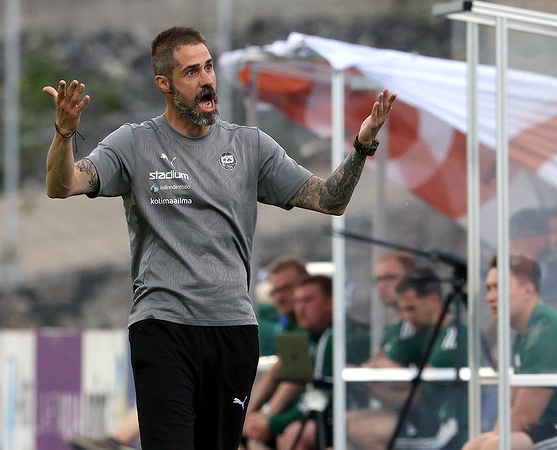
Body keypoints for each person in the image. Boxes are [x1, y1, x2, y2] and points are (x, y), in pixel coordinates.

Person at [43, 25, 396, 450]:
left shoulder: (250, 145)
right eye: (191, 72)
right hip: (163, 326)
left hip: (233, 330)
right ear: (164, 84)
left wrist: (361, 145)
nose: (207, 79)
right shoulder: (135, 142)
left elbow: (329, 200)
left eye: (208, 67)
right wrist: (64, 134)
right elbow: (63, 184)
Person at [345, 268, 468, 450]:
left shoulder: (453, 336)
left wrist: (375, 379)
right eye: (401, 310)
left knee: (360, 431)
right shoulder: (421, 334)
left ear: (433, 301)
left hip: (444, 425)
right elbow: (382, 362)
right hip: (421, 417)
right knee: (345, 422)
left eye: (411, 309)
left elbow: (417, 391)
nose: (406, 317)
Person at [462, 254, 557, 450]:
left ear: (528, 290)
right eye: (489, 288)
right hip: (544, 428)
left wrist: (493, 441)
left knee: (491, 446)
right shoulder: (526, 332)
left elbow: (525, 416)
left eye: (498, 287)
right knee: (476, 445)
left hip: (551, 426)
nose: (490, 297)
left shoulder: (546, 329)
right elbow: (512, 406)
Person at [274, 275, 370, 450]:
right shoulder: (305, 334)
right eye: (297, 301)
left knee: (295, 433)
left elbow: (318, 397)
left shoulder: (336, 336)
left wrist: (272, 423)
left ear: (331, 302)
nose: (300, 308)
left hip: (348, 416)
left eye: (308, 300)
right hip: (331, 417)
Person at [242, 257, 309, 449]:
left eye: (286, 289)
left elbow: (296, 376)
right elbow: (277, 373)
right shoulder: (290, 327)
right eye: (275, 291)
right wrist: (247, 416)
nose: (279, 297)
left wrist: (267, 418)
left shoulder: (308, 328)